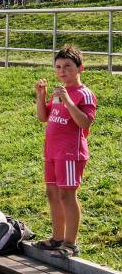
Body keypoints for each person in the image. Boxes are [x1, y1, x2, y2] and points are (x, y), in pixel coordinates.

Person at [34, 45, 96, 259]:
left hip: (70, 153)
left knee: (66, 195)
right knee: (52, 194)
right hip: (52, 152)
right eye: (58, 67)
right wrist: (41, 96)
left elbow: (84, 121)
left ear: (80, 68)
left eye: (68, 66)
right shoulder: (59, 91)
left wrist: (69, 101)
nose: (62, 71)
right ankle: (57, 238)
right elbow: (44, 117)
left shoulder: (84, 94)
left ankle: (70, 243)